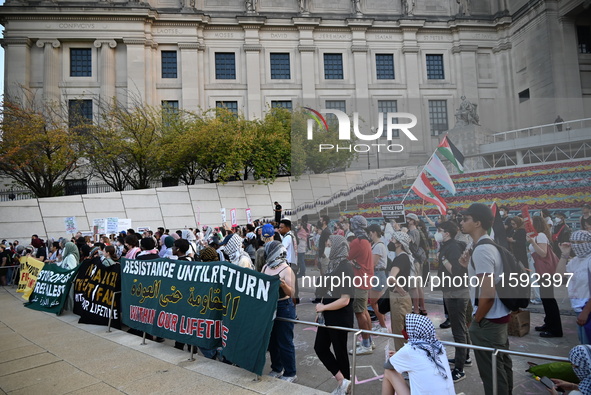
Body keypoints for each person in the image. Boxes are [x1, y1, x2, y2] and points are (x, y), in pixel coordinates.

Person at [459, 203, 513, 395]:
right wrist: (467, 266)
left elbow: (488, 294)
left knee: (492, 373)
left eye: (466, 219)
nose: (462, 222)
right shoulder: (486, 246)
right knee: (501, 367)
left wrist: (477, 320)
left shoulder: (482, 249)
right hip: (497, 317)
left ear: (478, 222)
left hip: (489, 320)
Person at [314, 235, 354, 395]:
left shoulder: (346, 267)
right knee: (320, 347)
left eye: (330, 245)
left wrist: (324, 307)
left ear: (338, 247)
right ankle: (342, 381)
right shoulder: (332, 265)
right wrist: (321, 310)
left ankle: (345, 387)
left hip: (339, 317)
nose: (327, 248)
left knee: (340, 351)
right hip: (328, 315)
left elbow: (345, 300)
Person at [382, 314, 455, 395]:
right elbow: (422, 363)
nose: (404, 331)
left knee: (389, 371)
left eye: (407, 328)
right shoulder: (438, 347)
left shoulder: (410, 349)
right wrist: (401, 357)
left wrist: (399, 356)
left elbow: (388, 365)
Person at [435, 221, 470, 382]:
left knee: (458, 329)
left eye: (440, 230)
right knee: (460, 325)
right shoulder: (447, 245)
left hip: (456, 291)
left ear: (447, 233)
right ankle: (463, 357)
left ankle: (460, 369)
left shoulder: (453, 247)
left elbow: (456, 271)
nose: (437, 232)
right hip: (451, 290)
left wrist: (443, 259)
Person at [262, 241, 297, 382]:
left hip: (284, 307)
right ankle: (277, 368)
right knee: (272, 341)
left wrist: (283, 285)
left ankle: (290, 372)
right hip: (269, 307)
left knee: (285, 341)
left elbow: (292, 292)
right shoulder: (265, 266)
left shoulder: (286, 269)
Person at [529, 215, 563, 338]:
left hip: (546, 271)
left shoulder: (541, 236)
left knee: (549, 299)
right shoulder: (537, 236)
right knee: (545, 299)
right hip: (541, 270)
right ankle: (548, 323)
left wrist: (533, 242)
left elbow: (543, 253)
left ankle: (555, 329)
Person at [348, 215, 375, 355]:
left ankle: (366, 344)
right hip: (365, 279)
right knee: (364, 311)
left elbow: (347, 257)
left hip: (359, 280)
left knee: (359, 313)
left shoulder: (357, 242)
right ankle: (368, 340)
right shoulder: (366, 240)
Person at [562, 231, 591, 344]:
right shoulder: (575, 260)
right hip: (578, 307)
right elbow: (559, 275)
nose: (576, 245)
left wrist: (586, 311)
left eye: (580, 242)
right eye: (573, 242)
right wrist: (564, 255)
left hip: (586, 308)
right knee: (583, 342)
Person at [387, 231, 414, 351]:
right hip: (401, 298)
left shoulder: (401, 258)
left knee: (399, 331)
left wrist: (398, 287)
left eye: (393, 239)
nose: (390, 241)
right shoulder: (403, 257)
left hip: (399, 299)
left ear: (399, 244)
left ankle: (403, 360)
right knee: (402, 329)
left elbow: (392, 278)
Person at [366, 224, 389, 333]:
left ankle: (383, 326)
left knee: (375, 303)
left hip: (377, 275)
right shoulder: (376, 245)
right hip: (376, 274)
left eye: (370, 232)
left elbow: (373, 263)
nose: (369, 235)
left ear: (374, 232)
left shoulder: (379, 245)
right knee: (375, 303)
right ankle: (382, 324)